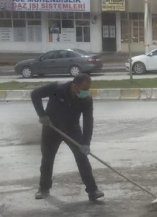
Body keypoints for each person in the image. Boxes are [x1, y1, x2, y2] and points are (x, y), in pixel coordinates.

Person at [31, 73, 103, 201]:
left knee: (82, 158)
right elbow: (35, 94)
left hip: (72, 129)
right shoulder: (57, 88)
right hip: (52, 127)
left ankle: (92, 190)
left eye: (88, 89)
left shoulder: (86, 98)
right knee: (47, 158)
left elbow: (88, 121)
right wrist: (41, 115)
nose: (86, 92)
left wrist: (86, 143)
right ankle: (44, 188)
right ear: (75, 86)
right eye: (84, 89)